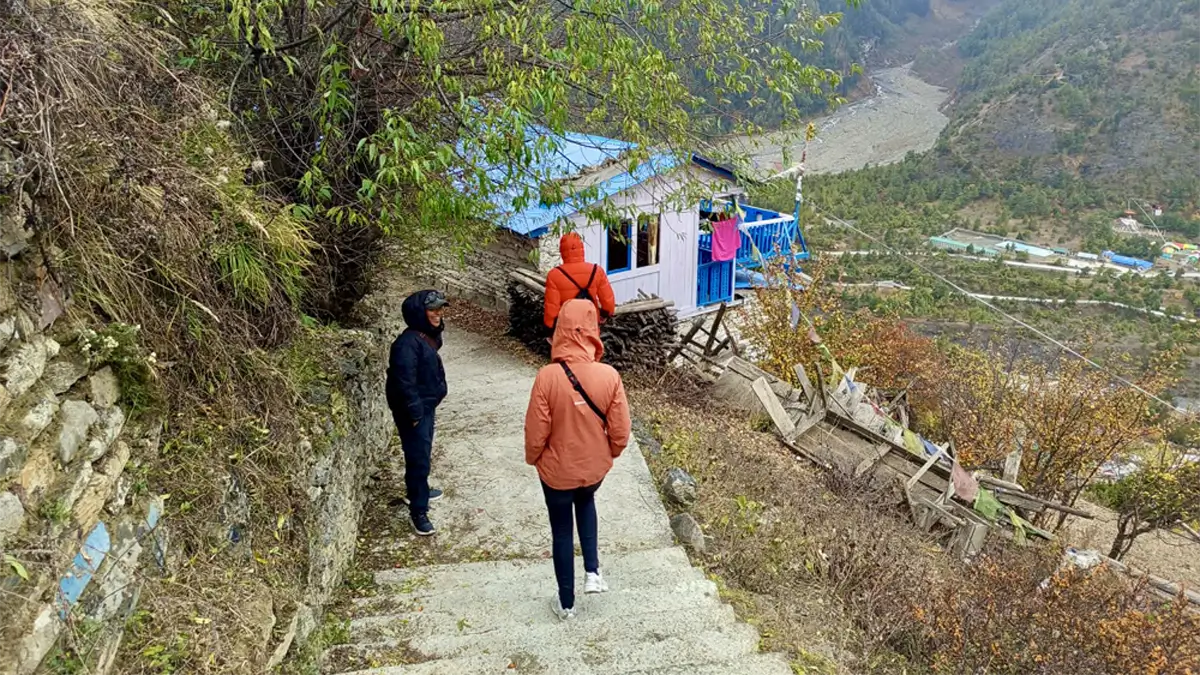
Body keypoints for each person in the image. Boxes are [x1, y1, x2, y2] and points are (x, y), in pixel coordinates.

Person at [524, 299, 631, 620]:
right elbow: (621, 431)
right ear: (593, 333)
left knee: (561, 532)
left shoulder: (547, 376)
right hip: (593, 469)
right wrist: (609, 453)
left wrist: (535, 459)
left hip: (556, 473)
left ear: (561, 332)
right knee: (586, 502)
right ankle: (593, 572)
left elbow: (535, 433)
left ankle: (566, 604)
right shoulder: (609, 375)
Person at [386, 289, 450, 536]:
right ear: (419, 313)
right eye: (433, 310)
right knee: (418, 457)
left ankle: (418, 489)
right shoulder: (406, 344)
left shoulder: (427, 336)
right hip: (415, 409)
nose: (438, 314)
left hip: (425, 405)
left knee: (421, 453)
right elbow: (404, 382)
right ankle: (418, 510)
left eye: (440, 309)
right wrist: (414, 414)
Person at [543, 232, 616, 330]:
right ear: (582, 249)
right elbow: (608, 301)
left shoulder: (554, 275)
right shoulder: (597, 270)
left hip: (567, 325)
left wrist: (550, 328)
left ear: (562, 251)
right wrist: (604, 314)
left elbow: (552, 307)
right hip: (590, 322)